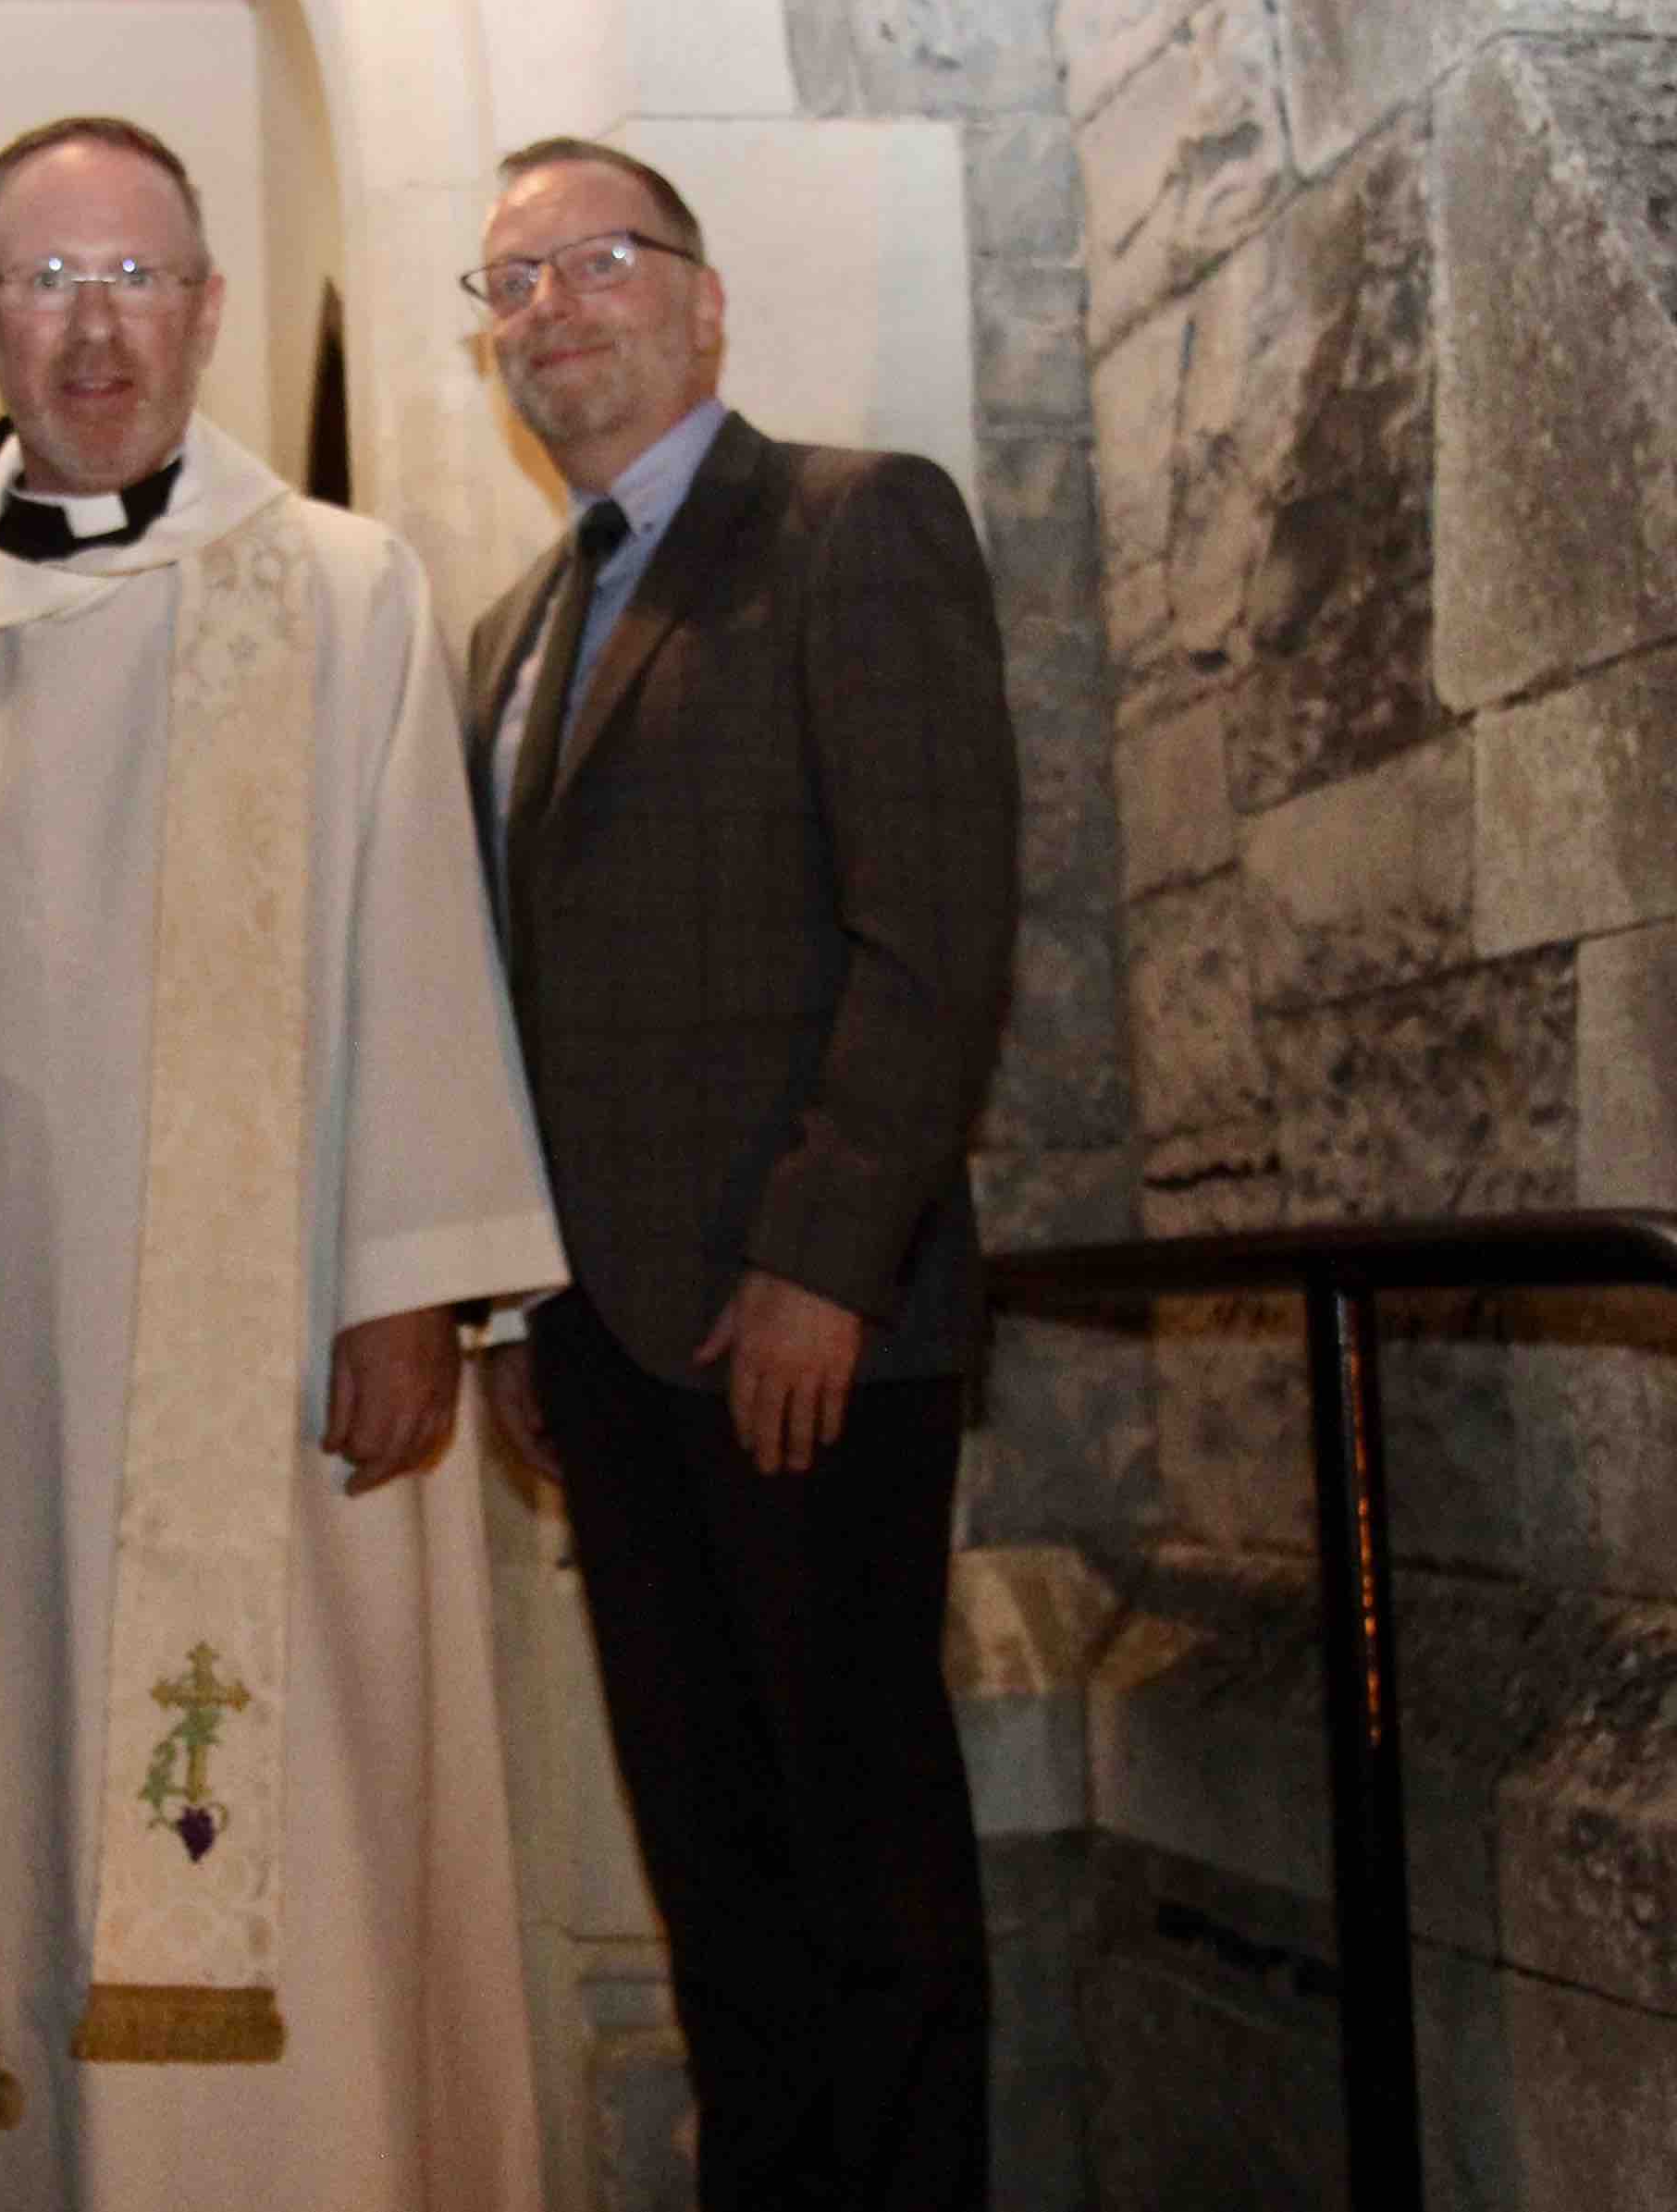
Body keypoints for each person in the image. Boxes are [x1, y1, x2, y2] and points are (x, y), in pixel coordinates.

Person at [0, 115, 568, 2211]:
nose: (94, 324)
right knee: (26, 1819)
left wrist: (414, 1275)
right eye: (47, 282)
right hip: (2, 1387)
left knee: (300, 1820)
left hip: (278, 1359)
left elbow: (417, 931)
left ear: (208, 308)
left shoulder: (341, 591)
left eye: (136, 275)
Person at [461, 137, 1018, 2210]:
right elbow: (511, 999)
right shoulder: (518, 624)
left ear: (704, 301)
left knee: (866, 1877)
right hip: (609, 1350)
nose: (551, 308)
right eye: (508, 281)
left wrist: (825, 1258)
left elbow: (935, 924)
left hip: (807, 1335)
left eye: (597, 259)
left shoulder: (853, 526)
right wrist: (521, 1298)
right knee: (717, 1874)